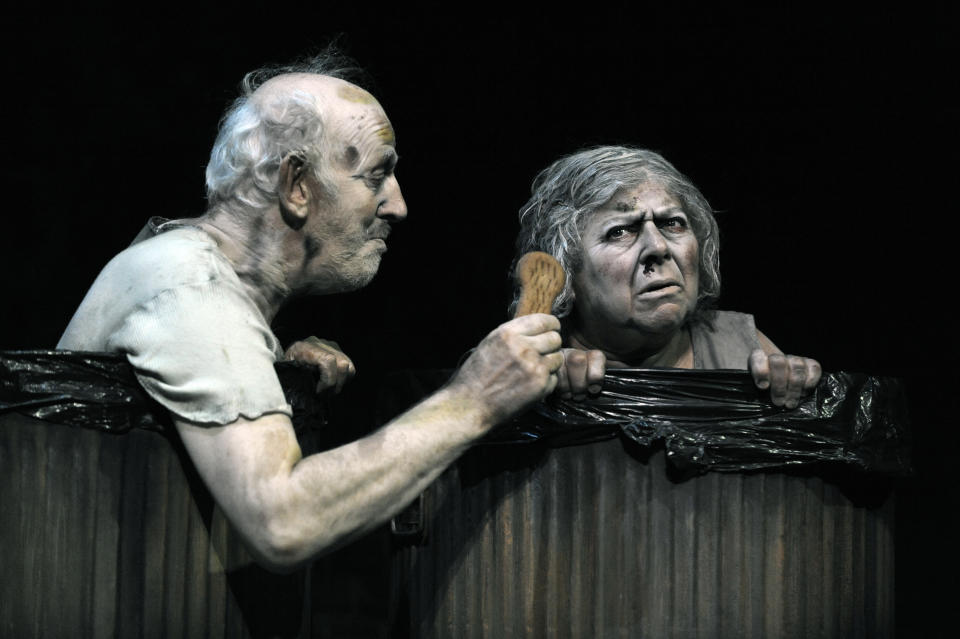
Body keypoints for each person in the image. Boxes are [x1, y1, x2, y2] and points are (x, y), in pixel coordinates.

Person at [57, 53, 564, 571]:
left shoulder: (196, 280)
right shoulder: (190, 286)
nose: (398, 205)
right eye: (376, 176)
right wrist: (474, 400)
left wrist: (274, 363)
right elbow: (282, 523)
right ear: (296, 185)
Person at [512, 145, 820, 407]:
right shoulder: (524, 359)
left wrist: (794, 386)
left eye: (673, 223)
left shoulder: (740, 346)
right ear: (566, 270)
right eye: (619, 231)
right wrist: (539, 385)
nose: (658, 247)